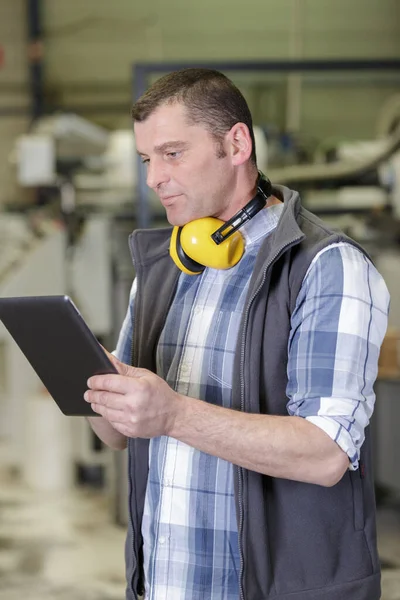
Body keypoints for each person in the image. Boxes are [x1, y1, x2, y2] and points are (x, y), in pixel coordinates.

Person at [85, 68, 390, 600]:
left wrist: (173, 414)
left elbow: (325, 454)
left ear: (237, 144)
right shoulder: (161, 268)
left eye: (172, 153)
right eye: (146, 160)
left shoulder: (325, 266)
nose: (154, 177)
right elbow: (117, 435)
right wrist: (91, 386)